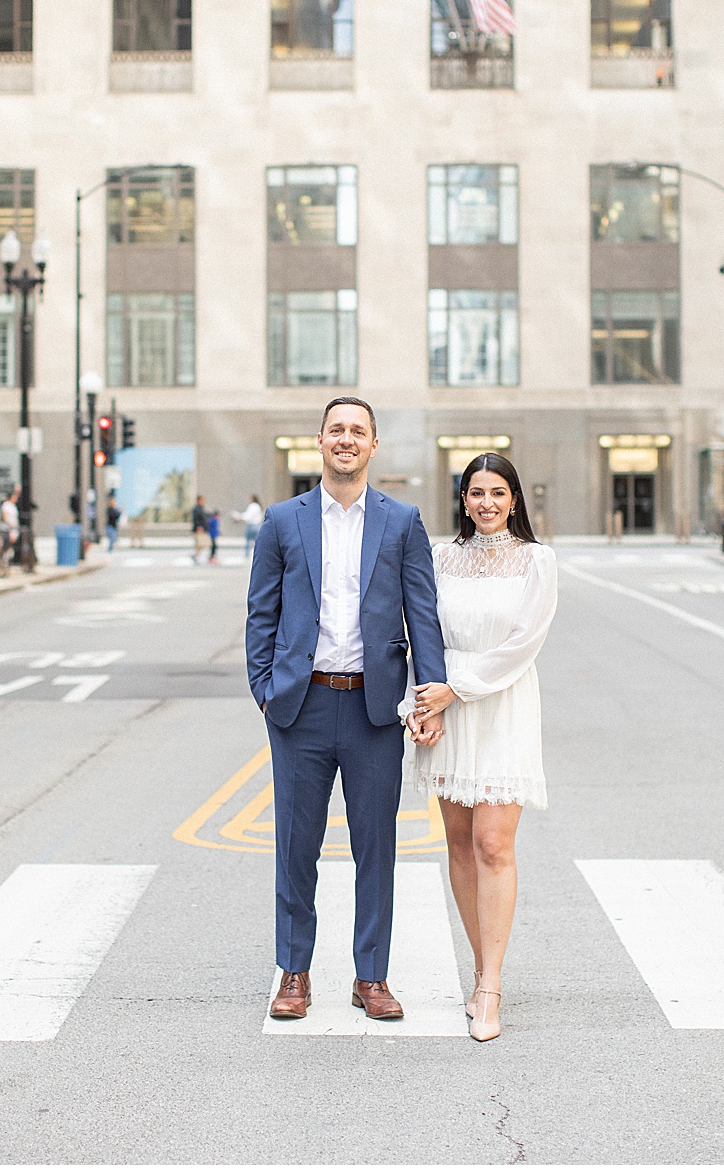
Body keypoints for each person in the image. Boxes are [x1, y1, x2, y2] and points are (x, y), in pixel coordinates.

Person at [245, 396, 448, 1023]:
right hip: (301, 708)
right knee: (295, 846)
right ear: (320, 440)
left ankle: (372, 976)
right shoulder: (283, 521)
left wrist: (430, 692)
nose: (346, 440)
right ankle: (295, 972)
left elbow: (424, 612)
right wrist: (265, 688)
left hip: (373, 711)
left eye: (358, 431)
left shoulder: (402, 520)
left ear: (373, 445)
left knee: (376, 847)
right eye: (337, 430)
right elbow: (261, 613)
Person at [402, 452, 558, 1043]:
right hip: (444, 711)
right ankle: (479, 966)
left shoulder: (537, 561)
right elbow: (422, 632)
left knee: (495, 843)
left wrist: (453, 690)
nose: (486, 503)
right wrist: (418, 706)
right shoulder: (442, 558)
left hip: (500, 706)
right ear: (462, 500)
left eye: (497, 493)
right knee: (461, 845)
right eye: (475, 494)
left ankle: (491, 984)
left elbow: (523, 644)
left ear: (514, 498)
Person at [241, 493, 264, 561]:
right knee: (256, 541)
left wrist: (240, 518)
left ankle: (247, 554)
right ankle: (258, 554)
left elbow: (248, 516)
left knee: (248, 541)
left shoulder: (252, 506)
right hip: (257, 525)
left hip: (251, 525)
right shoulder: (258, 506)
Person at [191, 495, 209, 564]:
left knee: (202, 544)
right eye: (202, 500)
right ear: (199, 500)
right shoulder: (196, 509)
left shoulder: (202, 508)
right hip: (199, 529)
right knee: (199, 543)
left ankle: (196, 555)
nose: (203, 502)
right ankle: (195, 556)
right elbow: (196, 519)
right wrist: (199, 526)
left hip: (203, 529)